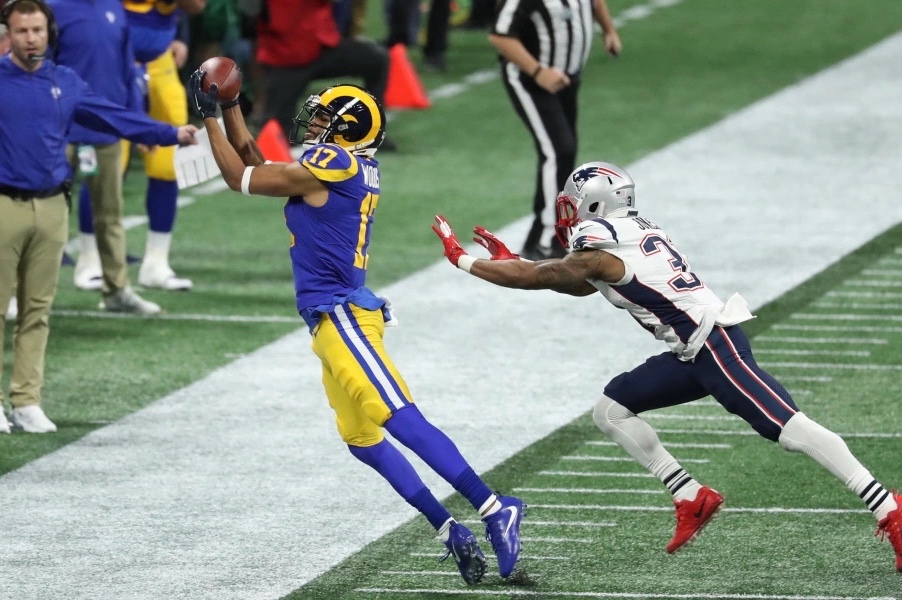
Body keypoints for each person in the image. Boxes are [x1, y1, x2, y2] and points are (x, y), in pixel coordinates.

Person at [432, 161, 902, 570]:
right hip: (691, 352)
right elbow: (577, 282)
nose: (569, 214)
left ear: (593, 205)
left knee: (789, 429)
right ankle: (689, 495)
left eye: (574, 204)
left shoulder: (600, 241)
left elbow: (548, 275)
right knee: (611, 410)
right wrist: (516, 262)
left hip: (714, 345)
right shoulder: (629, 233)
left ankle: (889, 509)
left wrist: (466, 261)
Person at [186, 74, 524, 583]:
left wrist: (209, 115)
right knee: (362, 438)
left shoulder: (337, 163)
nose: (313, 123)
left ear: (348, 129)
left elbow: (239, 178)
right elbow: (257, 166)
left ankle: (494, 505)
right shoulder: (343, 165)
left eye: (324, 117)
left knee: (398, 417)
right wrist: (232, 105)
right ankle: (448, 528)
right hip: (328, 319)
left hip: (343, 315)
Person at [0, 0, 197, 433]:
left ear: (49, 34)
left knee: (37, 310)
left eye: (37, 30)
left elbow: (114, 115)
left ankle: (26, 401)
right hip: (4, 205)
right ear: (7, 35)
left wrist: (169, 133)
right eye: (22, 31)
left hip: (52, 206)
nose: (31, 39)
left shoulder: (65, 81)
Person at [47, 0, 165, 314]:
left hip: (106, 131)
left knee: (110, 216)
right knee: (43, 217)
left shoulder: (113, 6)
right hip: (60, 132)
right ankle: (24, 293)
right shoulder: (53, 8)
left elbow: (127, 68)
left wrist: (138, 124)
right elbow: (39, 68)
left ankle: (117, 290)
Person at [489, 0, 621, 260]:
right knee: (558, 151)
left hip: (567, 79)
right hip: (529, 80)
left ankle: (543, 236)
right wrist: (538, 71)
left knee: (564, 151)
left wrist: (609, 30)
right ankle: (548, 240)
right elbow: (500, 36)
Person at [120, 0, 206, 292]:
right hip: (114, 61)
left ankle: (156, 263)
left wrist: (181, 34)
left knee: (167, 164)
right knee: (109, 162)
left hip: (158, 60)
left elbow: (196, 4)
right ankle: (91, 259)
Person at [255, 0, 392, 150]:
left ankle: (371, 132)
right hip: (285, 57)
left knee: (376, 59)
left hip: (318, 45)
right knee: (275, 136)